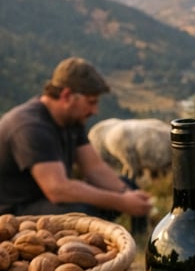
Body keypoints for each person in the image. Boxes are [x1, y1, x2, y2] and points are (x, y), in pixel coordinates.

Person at [0, 57, 152, 224]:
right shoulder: (30, 127)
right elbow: (57, 189)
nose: (95, 110)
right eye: (91, 102)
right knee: (81, 213)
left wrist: (126, 193)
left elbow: (95, 169)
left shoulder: (71, 120)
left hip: (46, 199)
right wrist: (121, 202)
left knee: (129, 185)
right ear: (67, 96)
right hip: (15, 211)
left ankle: (141, 240)